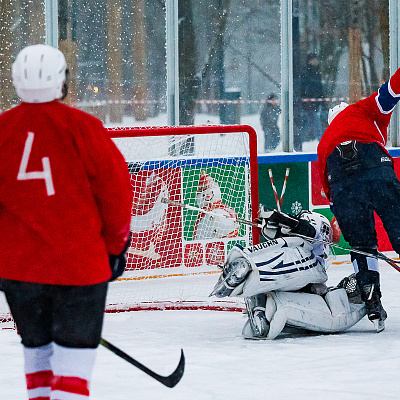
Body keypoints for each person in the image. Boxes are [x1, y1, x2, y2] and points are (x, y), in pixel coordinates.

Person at [0, 44, 133, 399]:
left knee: (37, 352)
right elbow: (116, 193)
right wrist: (116, 248)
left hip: (20, 271)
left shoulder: (3, 130)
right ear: (62, 81)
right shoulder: (84, 128)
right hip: (80, 268)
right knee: (73, 367)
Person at [317, 68, 400, 332]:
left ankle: (371, 299)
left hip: (341, 180)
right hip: (374, 164)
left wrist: (342, 217)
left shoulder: (325, 141)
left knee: (362, 245)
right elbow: (392, 90)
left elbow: (330, 191)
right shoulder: (364, 110)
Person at [210, 209, 366, 339]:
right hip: (307, 269)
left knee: (268, 284)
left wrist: (281, 222)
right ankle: (261, 310)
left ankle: (257, 303)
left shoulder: (296, 236)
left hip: (291, 274)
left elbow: (298, 231)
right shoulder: (313, 230)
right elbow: (308, 230)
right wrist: (285, 221)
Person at [192, 171, 239, 240]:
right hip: (206, 244)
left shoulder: (224, 209)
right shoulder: (201, 216)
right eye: (203, 190)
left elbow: (234, 218)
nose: (207, 195)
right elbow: (195, 232)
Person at [300, 53, 325, 143]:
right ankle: (320, 141)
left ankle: (301, 141)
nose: (316, 61)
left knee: (310, 123)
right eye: (315, 59)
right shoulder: (311, 72)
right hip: (311, 103)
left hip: (311, 102)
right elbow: (313, 86)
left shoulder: (312, 71)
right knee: (314, 123)